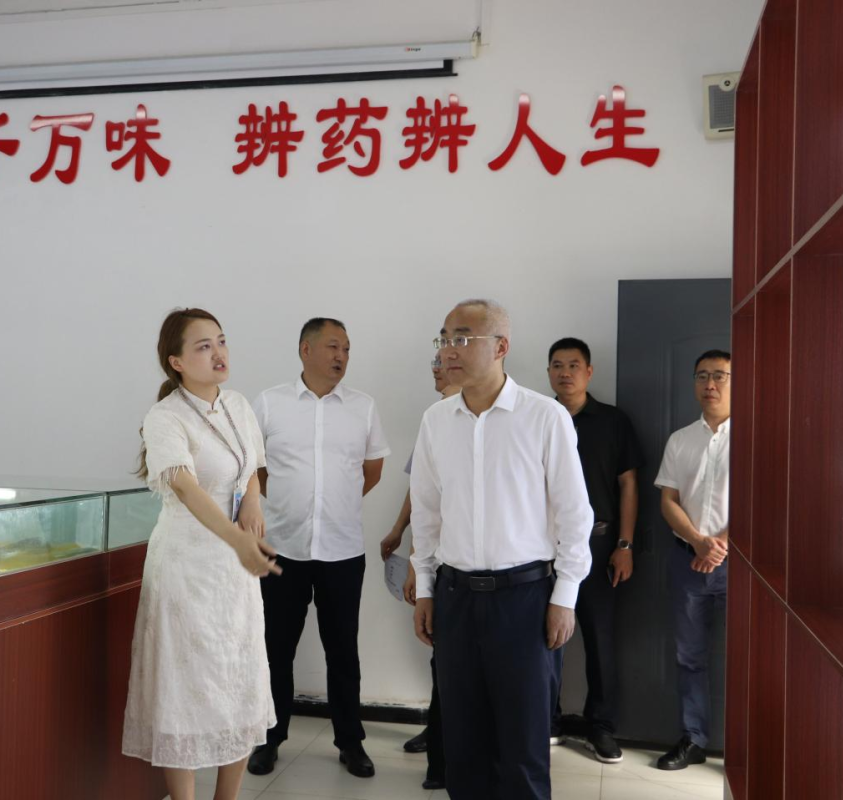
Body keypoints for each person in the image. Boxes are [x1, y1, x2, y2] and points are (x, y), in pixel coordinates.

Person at [411, 299, 593, 800]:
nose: (449, 350)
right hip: (455, 597)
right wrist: (425, 587)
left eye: (462, 338)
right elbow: (427, 513)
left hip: (525, 599)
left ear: (501, 347)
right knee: (463, 744)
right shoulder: (436, 420)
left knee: (523, 745)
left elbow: (575, 514)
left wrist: (565, 597)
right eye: (444, 338)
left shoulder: (544, 417)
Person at [122, 308, 282, 800]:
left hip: (233, 572)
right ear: (177, 362)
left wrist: (252, 501)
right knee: (185, 688)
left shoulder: (238, 404)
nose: (218, 353)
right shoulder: (164, 417)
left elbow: (250, 469)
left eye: (221, 341)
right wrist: (237, 540)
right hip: (186, 569)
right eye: (203, 346)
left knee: (239, 678)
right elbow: (187, 489)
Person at [248, 318, 390, 779]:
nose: (341, 356)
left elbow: (372, 469)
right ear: (305, 350)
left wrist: (334, 503)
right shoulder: (270, 403)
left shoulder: (363, 407)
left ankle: (350, 742)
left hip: (342, 550)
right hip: (282, 548)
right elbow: (256, 469)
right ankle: (269, 739)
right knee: (275, 648)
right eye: (333, 347)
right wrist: (289, 504)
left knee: (343, 650)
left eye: (346, 349)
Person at [546, 337, 642, 764]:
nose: (564, 373)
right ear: (548, 372)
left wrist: (625, 544)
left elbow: (628, 484)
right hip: (543, 546)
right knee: (545, 637)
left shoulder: (613, 421)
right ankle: (546, 719)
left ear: (589, 371)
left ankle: (600, 726)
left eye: (573, 365)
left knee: (599, 639)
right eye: (557, 365)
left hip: (600, 545)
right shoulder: (538, 417)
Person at [380, 354, 459, 791]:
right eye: (434, 359)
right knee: (442, 658)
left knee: (451, 662)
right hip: (439, 562)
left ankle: (447, 745)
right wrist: (400, 535)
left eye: (442, 361)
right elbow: (420, 494)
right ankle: (440, 742)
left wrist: (416, 562)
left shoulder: (479, 415)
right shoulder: (436, 417)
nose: (434, 368)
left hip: (466, 565)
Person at [654, 349, 731, 771]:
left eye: (720, 375)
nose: (710, 384)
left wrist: (719, 546)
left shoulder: (757, 433)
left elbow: (765, 499)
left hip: (743, 568)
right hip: (688, 563)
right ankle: (694, 738)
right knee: (689, 657)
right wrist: (699, 543)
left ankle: (750, 744)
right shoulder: (680, 439)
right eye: (702, 376)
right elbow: (668, 500)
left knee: (754, 658)